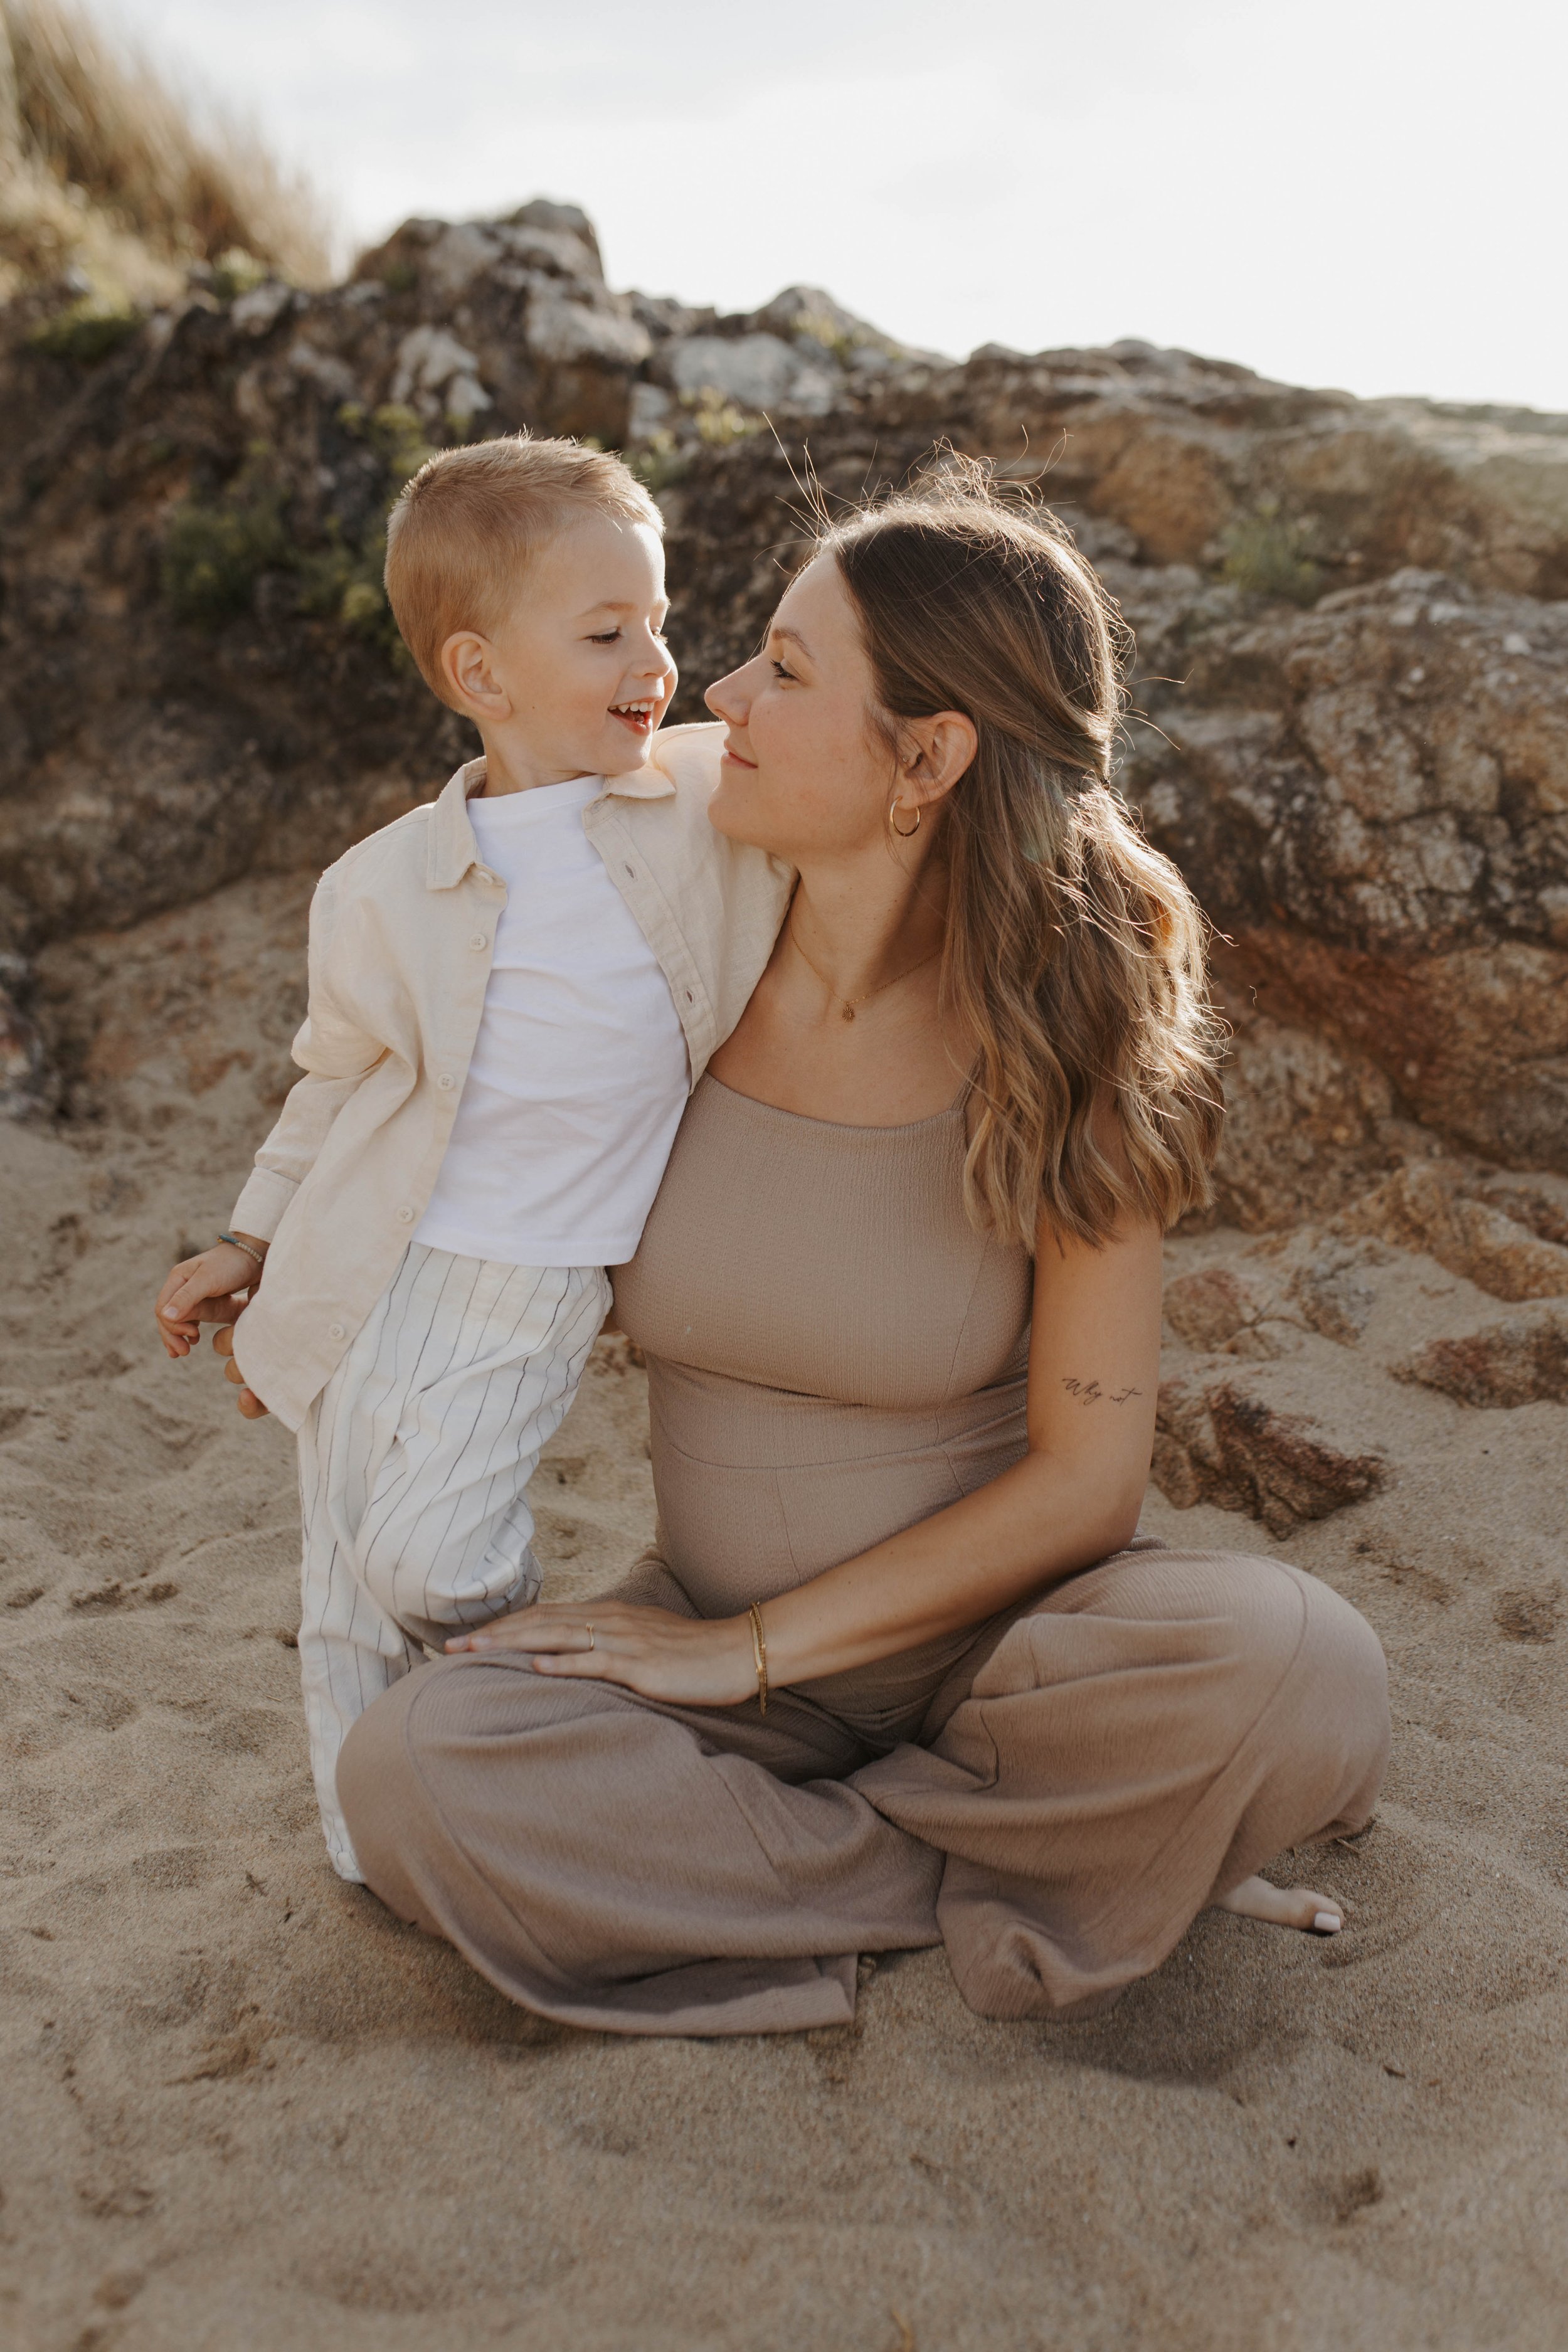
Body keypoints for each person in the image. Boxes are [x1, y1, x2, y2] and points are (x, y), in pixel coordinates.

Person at [331, 466, 1392, 2035]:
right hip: (698, 1646)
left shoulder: (1070, 1037)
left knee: (1300, 1659)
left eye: (785, 667)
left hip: (1005, 1666)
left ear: (927, 757)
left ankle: (963, 1844)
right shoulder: (658, 960)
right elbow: (415, 1083)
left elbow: (1083, 1488)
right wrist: (276, 1271)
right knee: (414, 1771)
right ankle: (1011, 1866)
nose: (719, 690)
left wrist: (749, 1654)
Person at [152, 435, 792, 1882]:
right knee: (341, 1590)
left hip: (533, 1277)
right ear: (481, 676)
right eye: (606, 630)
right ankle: (381, 1858)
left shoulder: (698, 802)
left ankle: (550, 1683)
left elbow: (846, 795)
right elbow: (338, 1083)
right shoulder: (380, 884)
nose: (658, 658)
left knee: (433, 1565)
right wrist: (253, 1243)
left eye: (662, 620)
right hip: (367, 1259)